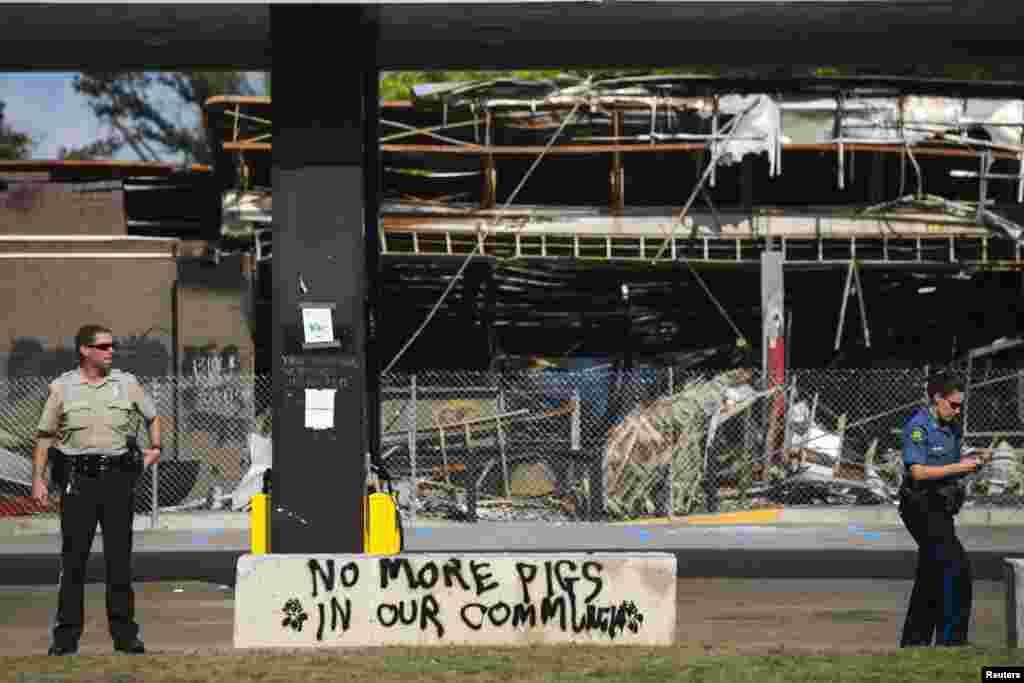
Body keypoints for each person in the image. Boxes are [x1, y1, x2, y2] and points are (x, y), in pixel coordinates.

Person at [31, 325, 162, 656]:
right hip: (79, 481)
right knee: (74, 562)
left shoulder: (127, 383)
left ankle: (125, 636)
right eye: (103, 346)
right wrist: (38, 478)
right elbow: (45, 436)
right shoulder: (62, 388)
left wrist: (155, 447)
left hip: (118, 479)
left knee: (119, 561)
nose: (110, 351)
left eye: (112, 346)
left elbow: (152, 416)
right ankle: (65, 639)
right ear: (84, 351)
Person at [899, 371, 990, 647]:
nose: (958, 410)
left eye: (961, 405)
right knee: (956, 568)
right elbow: (918, 472)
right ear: (937, 398)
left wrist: (974, 460)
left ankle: (914, 643)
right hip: (921, 506)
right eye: (953, 404)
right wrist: (961, 467)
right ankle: (952, 642)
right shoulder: (918, 426)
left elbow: (949, 464)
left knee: (932, 573)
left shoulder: (951, 427)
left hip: (942, 506)